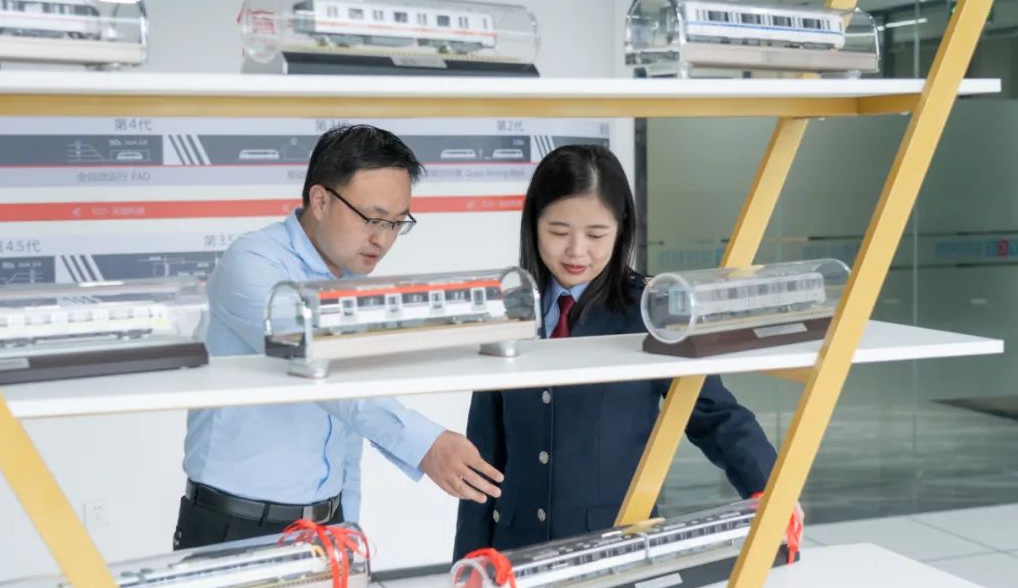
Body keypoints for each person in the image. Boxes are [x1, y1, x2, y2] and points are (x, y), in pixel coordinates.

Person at [175, 124, 502, 550]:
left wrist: (349, 526)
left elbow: (346, 426)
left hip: (327, 523)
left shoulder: (350, 280)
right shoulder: (254, 266)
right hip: (234, 525)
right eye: (372, 219)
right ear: (320, 200)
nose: (382, 239)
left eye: (396, 223)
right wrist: (425, 445)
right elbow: (326, 378)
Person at [453, 144, 779, 559]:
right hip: (513, 549)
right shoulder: (507, 312)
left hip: (615, 544)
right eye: (558, 232)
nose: (576, 251)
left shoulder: (651, 312)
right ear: (533, 225)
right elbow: (483, 452)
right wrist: (469, 561)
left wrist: (773, 493)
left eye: (595, 235)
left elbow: (716, 415)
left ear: (621, 228)